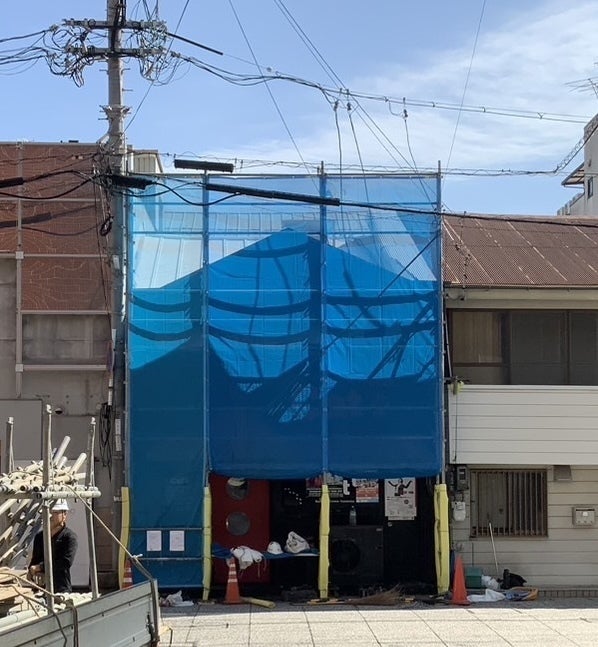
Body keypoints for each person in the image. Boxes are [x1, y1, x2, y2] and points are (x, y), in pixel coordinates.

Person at [28, 499, 78, 593]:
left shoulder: (69, 537)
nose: (50, 516)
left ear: (64, 515)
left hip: (60, 588)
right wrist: (31, 571)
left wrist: (41, 567)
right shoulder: (39, 537)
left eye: (55, 512)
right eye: (48, 512)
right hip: (40, 589)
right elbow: (35, 560)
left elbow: (65, 562)